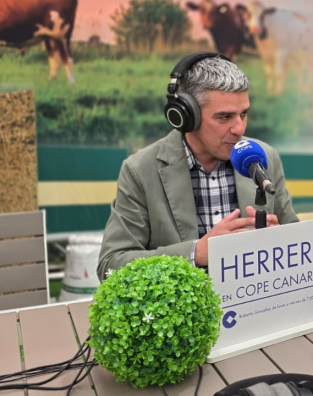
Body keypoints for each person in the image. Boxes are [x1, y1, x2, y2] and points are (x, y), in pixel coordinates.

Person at [97, 53, 299, 280]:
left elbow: (297, 242)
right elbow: (110, 266)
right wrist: (195, 254)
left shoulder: (264, 157)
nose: (239, 128)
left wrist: (280, 239)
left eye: (243, 114)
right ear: (186, 116)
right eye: (225, 117)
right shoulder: (139, 170)